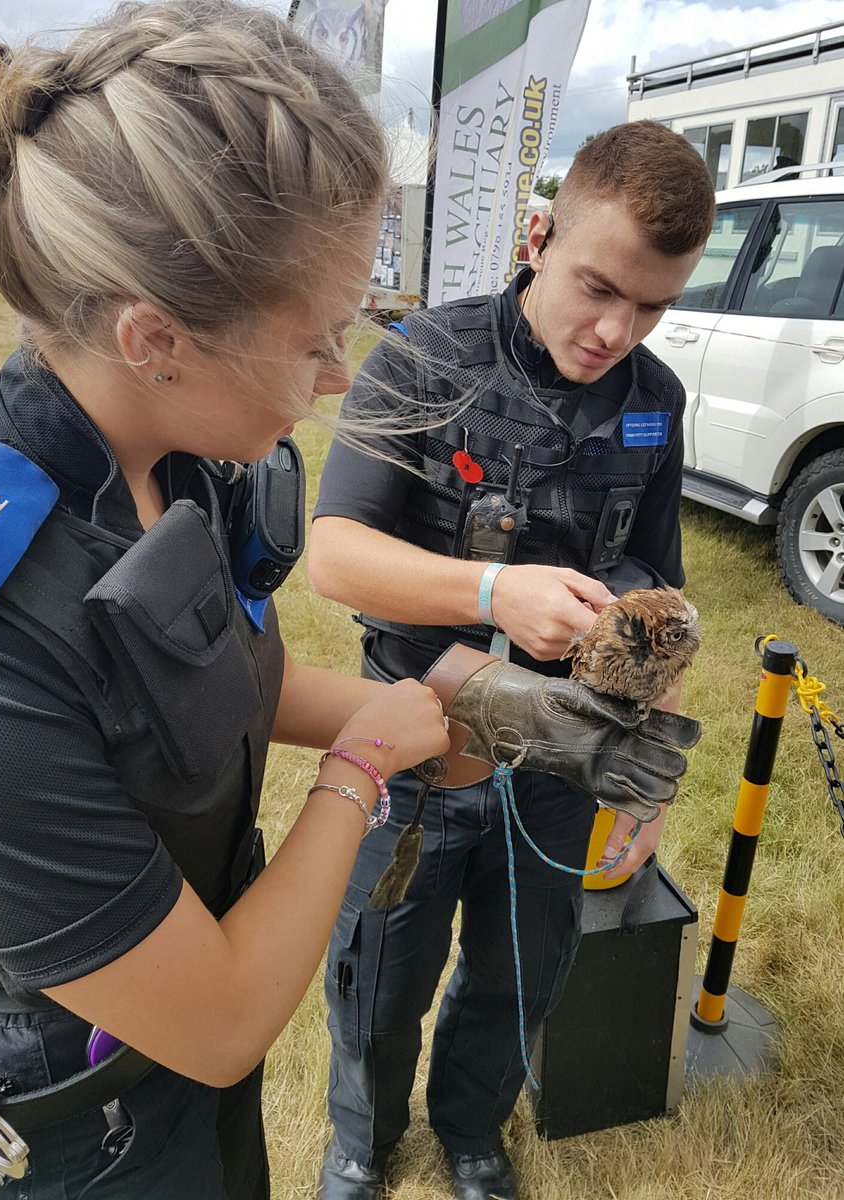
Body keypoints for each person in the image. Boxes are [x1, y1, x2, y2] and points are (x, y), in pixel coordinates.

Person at [0, 11, 696, 1200]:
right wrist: (359, 764)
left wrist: (487, 711)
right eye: (314, 342)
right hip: (77, 1128)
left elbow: (216, 687)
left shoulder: (172, 459)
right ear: (156, 338)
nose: (342, 380)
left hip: (178, 1087)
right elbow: (224, 1014)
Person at [309, 120, 715, 1200]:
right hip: (416, 746)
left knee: (516, 977)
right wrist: (494, 592)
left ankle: (474, 1133)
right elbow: (334, 554)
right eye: (596, 287)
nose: (615, 329)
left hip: (563, 765)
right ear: (539, 235)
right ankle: (361, 1136)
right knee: (379, 977)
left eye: (652, 307)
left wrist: (648, 781)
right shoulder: (426, 359)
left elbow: (655, 584)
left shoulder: (653, 401)